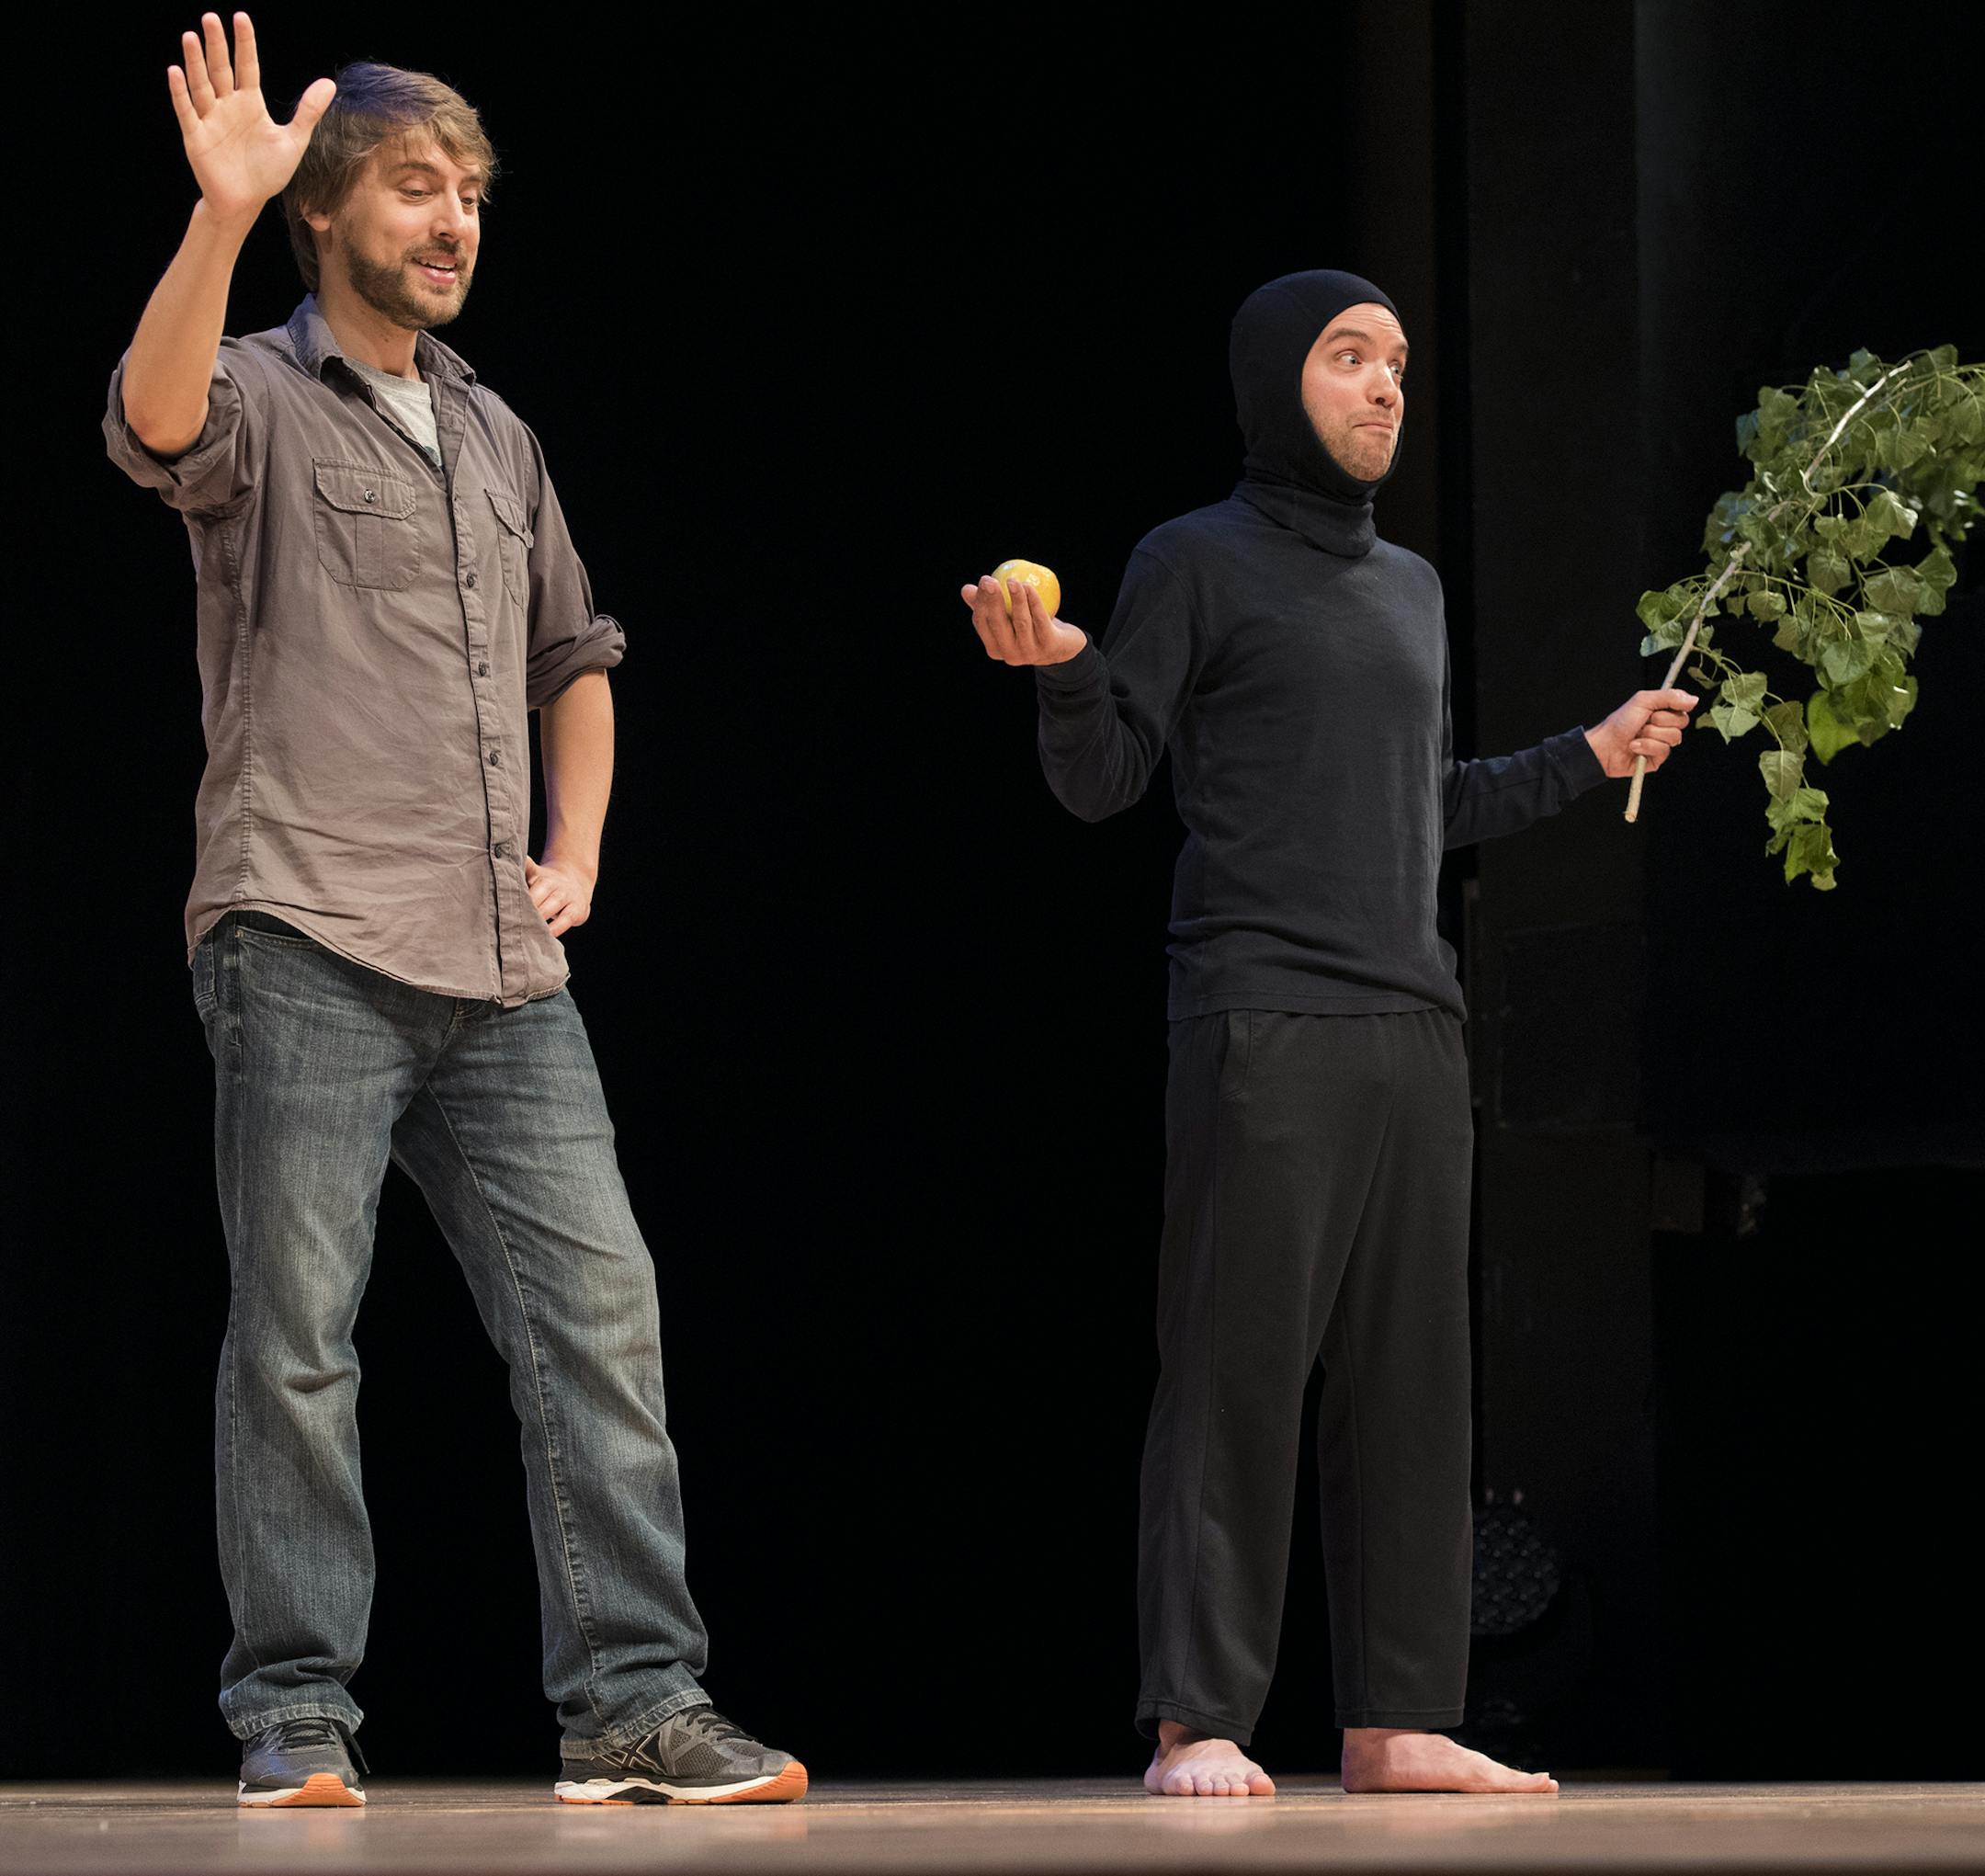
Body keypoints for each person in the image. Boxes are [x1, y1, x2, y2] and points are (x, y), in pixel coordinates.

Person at [105, 11, 804, 1809]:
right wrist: (215, 215)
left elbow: (580, 655)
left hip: (501, 967)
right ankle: (294, 1715)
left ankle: (636, 1705)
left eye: (473, 193)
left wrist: (581, 850)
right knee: (297, 1341)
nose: (455, 218)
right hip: (307, 930)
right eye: (419, 186)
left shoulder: (496, 435)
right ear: (324, 211)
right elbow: (153, 419)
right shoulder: (265, 387)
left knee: (602, 1321)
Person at [961, 268, 1694, 1800]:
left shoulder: (1410, 587)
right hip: (1264, 1012)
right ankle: (1198, 1714)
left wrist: (1589, 751)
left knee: (1417, 1377)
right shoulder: (1196, 561)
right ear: (1274, 383)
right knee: (1236, 1369)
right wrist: (1065, 674)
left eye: (1399, 365)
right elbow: (1108, 776)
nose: (1384, 389)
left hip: (1413, 1021)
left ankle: (1399, 1714)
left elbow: (1427, 807)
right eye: (1350, 359)